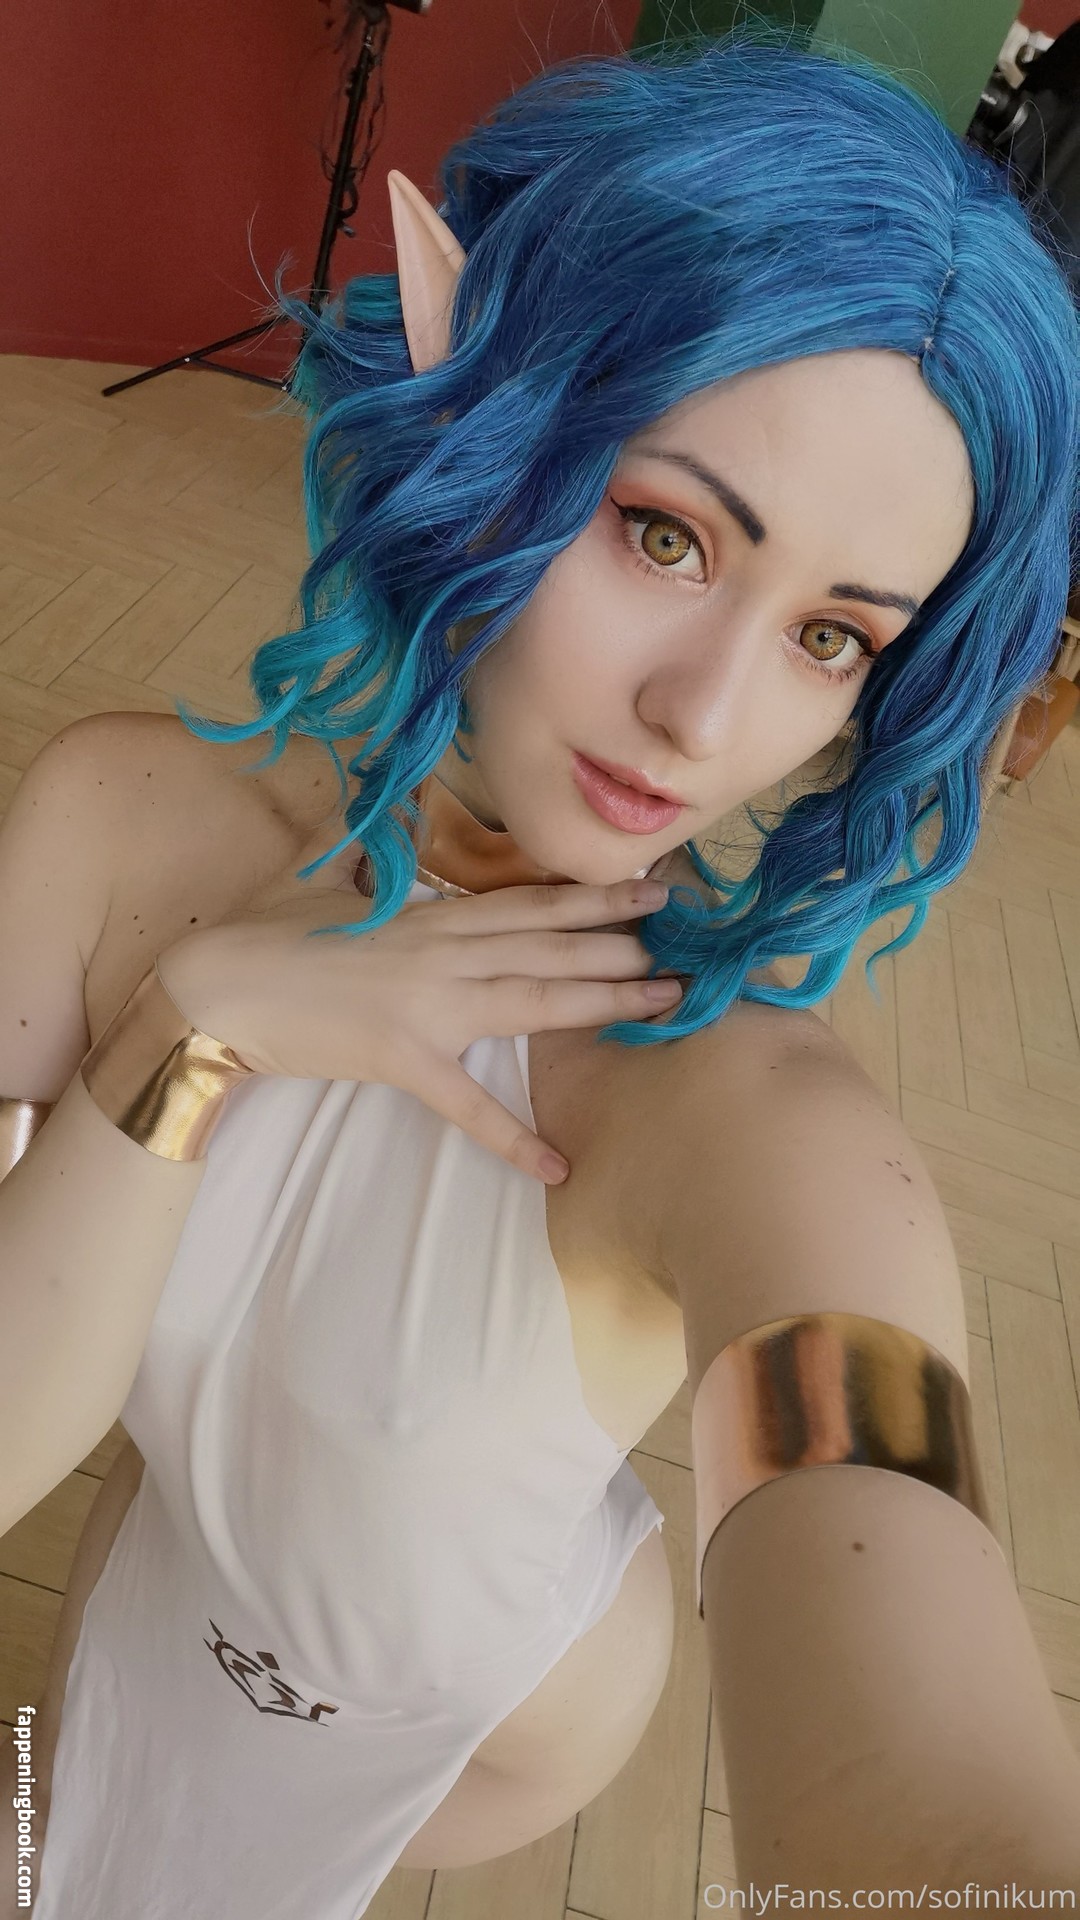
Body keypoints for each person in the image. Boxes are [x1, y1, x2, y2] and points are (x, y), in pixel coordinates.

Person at [2, 29, 1080, 1918]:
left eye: (833, 638)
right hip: (180, 1561)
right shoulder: (113, 820)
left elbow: (919, 1743)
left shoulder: (757, 1129)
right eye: (666, 533)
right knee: (58, 1801)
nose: (708, 718)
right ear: (484, 405)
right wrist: (197, 1027)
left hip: (456, 1727)